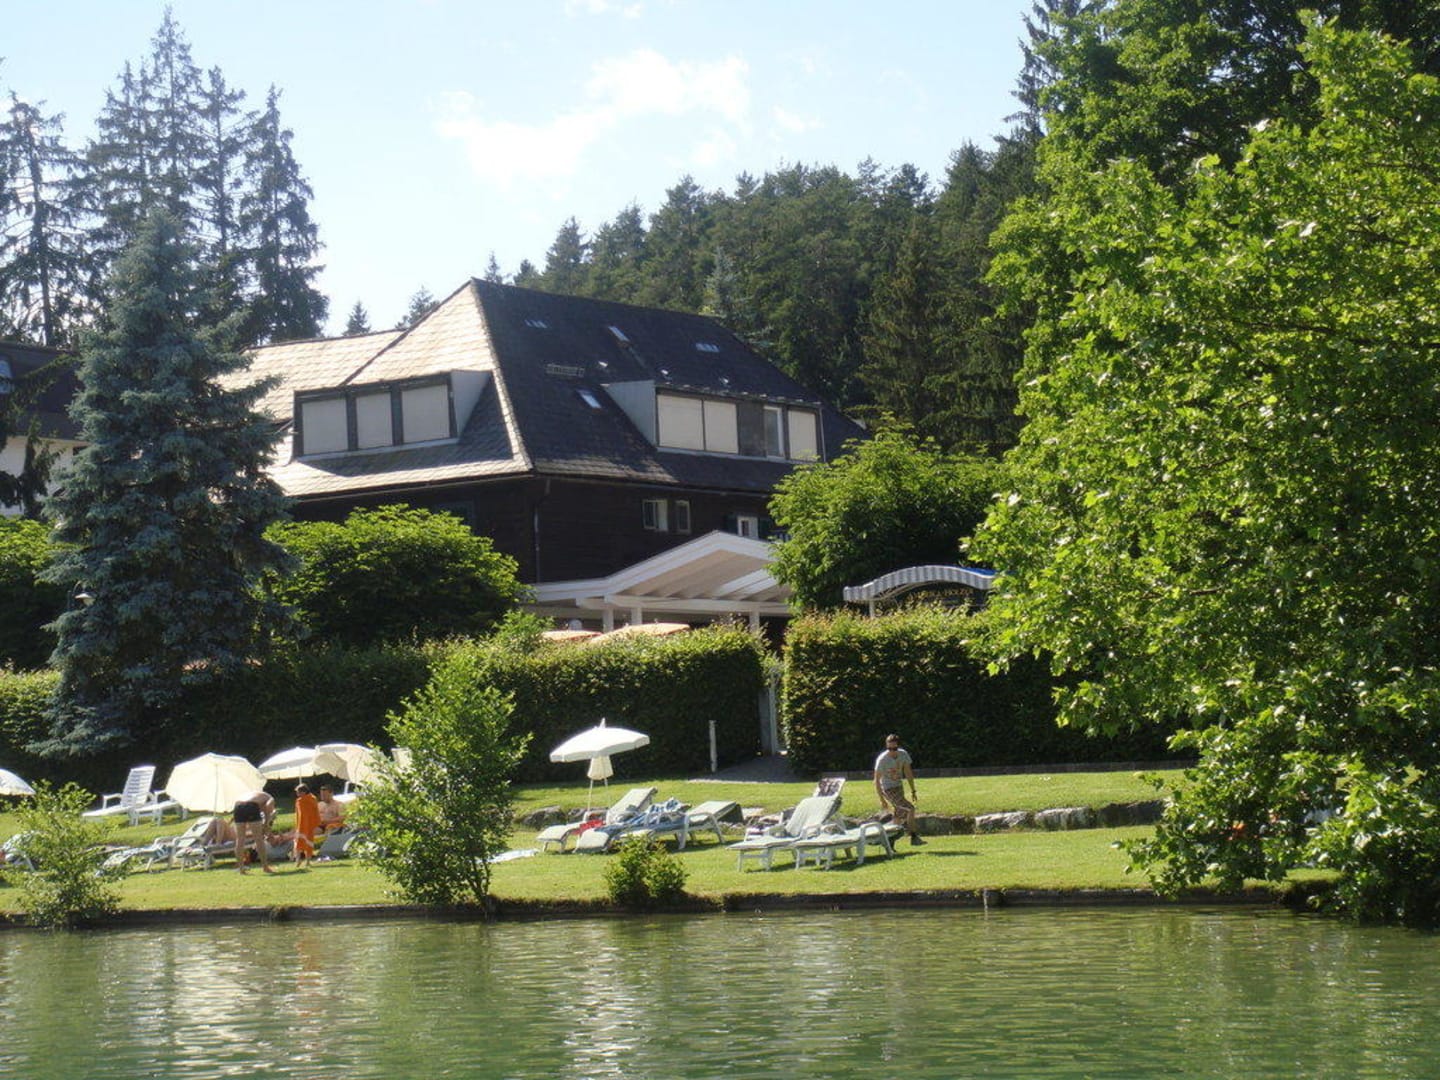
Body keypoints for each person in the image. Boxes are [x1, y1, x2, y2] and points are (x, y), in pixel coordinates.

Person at [874, 733, 925, 846]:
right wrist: (882, 799)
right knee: (910, 809)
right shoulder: (882, 759)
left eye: (894, 748)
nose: (892, 751)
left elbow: (908, 772)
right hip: (888, 789)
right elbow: (876, 780)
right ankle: (914, 837)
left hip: (898, 787)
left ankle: (889, 841)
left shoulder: (903, 755)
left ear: (898, 746)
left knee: (898, 816)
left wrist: (913, 790)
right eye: (889, 749)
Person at [233, 790, 277, 874]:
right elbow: (268, 807)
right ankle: (265, 867)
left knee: (240, 839)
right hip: (251, 806)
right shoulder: (270, 798)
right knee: (258, 839)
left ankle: (241, 868)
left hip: (237, 806)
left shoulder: (252, 795)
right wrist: (266, 823)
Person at [292, 783, 320, 868]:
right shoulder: (300, 801)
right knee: (299, 843)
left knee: (305, 843)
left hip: (309, 825)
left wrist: (315, 823)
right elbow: (298, 814)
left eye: (298, 792)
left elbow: (315, 812)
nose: (297, 794)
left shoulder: (310, 799)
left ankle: (306, 861)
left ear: (303, 792)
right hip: (302, 825)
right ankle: (299, 860)